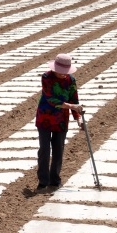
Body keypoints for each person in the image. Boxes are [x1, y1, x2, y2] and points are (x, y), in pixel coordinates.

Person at [35, 53, 84, 190]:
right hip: (45, 118)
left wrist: (78, 119)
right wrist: (71, 106)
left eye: (65, 72)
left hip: (61, 120)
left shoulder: (71, 80)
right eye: (61, 72)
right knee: (44, 150)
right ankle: (43, 181)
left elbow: (74, 100)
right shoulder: (46, 77)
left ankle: (54, 180)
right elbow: (51, 100)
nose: (63, 75)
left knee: (58, 150)